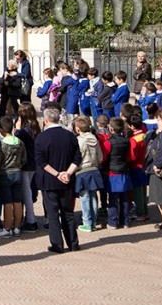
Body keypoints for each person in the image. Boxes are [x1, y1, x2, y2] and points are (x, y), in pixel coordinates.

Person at [34, 104, 81, 253]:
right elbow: (77, 157)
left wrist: (57, 174)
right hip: (67, 180)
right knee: (68, 213)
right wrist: (67, 173)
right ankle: (73, 243)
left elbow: (41, 161)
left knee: (53, 214)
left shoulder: (41, 137)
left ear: (46, 120)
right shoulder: (70, 135)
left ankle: (57, 244)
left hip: (50, 180)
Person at [0, 115, 26, 237]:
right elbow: (24, 159)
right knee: (17, 200)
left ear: (1, 129)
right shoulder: (19, 142)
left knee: (7, 202)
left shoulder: (1, 144)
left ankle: (7, 228)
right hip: (17, 172)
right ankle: (17, 227)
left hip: (5, 174)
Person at [73, 116, 103, 233]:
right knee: (94, 196)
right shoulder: (95, 139)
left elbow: (77, 157)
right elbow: (100, 157)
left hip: (83, 170)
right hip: (94, 169)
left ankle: (87, 222)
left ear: (78, 129)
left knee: (84, 197)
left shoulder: (79, 141)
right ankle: (94, 221)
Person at [15, 103, 40, 231]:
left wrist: (17, 130)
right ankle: (29, 218)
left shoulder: (25, 130)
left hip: (26, 164)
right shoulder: (35, 126)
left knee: (26, 192)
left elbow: (17, 142)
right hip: (33, 162)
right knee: (28, 191)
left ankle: (31, 220)